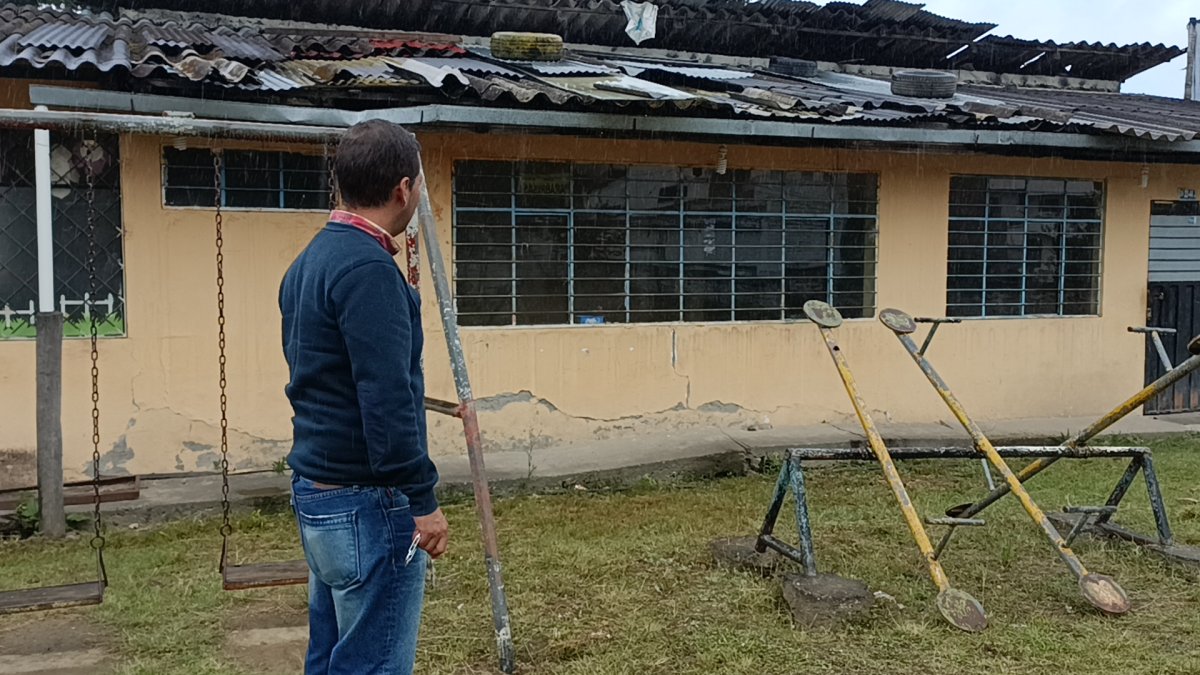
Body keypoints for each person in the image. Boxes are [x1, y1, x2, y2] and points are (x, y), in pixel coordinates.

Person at [279, 119, 448, 675]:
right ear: (404, 189)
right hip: (368, 505)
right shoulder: (369, 271)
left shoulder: (309, 263)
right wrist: (422, 502)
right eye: (420, 185)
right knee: (373, 662)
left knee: (331, 656)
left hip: (319, 494)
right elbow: (388, 399)